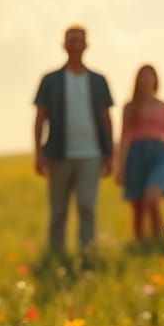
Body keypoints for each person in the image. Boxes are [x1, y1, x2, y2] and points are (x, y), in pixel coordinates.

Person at [33, 25, 114, 256]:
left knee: (87, 207)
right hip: (58, 155)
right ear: (64, 45)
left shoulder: (99, 80)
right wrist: (38, 152)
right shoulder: (50, 80)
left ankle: (87, 255)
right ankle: (56, 256)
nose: (76, 44)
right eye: (71, 40)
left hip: (91, 155)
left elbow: (107, 119)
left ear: (86, 45)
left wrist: (110, 154)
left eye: (80, 40)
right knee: (58, 211)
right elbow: (40, 118)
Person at [116, 64, 164, 245]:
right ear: (138, 81)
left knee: (152, 197)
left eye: (150, 77)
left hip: (159, 154)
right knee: (137, 205)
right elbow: (124, 136)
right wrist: (120, 166)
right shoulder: (130, 107)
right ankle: (141, 244)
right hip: (135, 154)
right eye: (143, 77)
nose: (147, 80)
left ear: (155, 80)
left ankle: (160, 240)